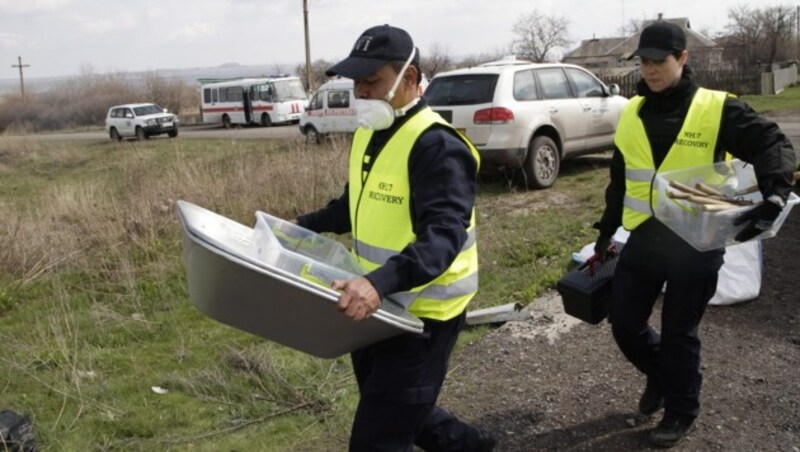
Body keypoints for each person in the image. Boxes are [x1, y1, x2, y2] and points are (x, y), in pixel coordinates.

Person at [593, 21, 796, 448]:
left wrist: (775, 194)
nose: (649, 70)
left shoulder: (717, 108)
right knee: (625, 323)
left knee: (678, 333)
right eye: (643, 62)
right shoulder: (631, 111)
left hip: (697, 239)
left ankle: (683, 409)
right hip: (646, 238)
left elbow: (771, 143)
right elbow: (620, 178)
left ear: (683, 58)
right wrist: (606, 232)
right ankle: (662, 376)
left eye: (659, 61)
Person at [294, 24, 495, 452]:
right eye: (357, 83)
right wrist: (297, 227)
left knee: (378, 437)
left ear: (409, 78)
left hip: (423, 316)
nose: (362, 93)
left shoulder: (437, 146)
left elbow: (443, 236)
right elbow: (353, 206)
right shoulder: (369, 134)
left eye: (373, 82)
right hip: (375, 310)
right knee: (401, 411)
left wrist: (379, 283)